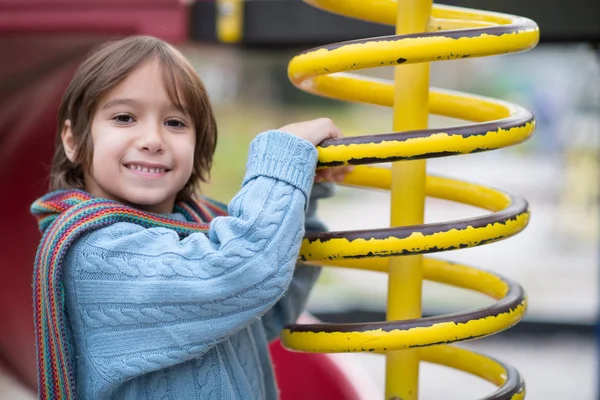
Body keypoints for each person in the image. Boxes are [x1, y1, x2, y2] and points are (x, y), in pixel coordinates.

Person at [30, 35, 351, 399]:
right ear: (73, 141)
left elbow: (266, 309)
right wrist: (281, 158)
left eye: (175, 123)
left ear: (199, 145)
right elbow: (240, 274)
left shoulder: (198, 229)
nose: (152, 139)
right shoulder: (98, 255)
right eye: (124, 117)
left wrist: (299, 196)